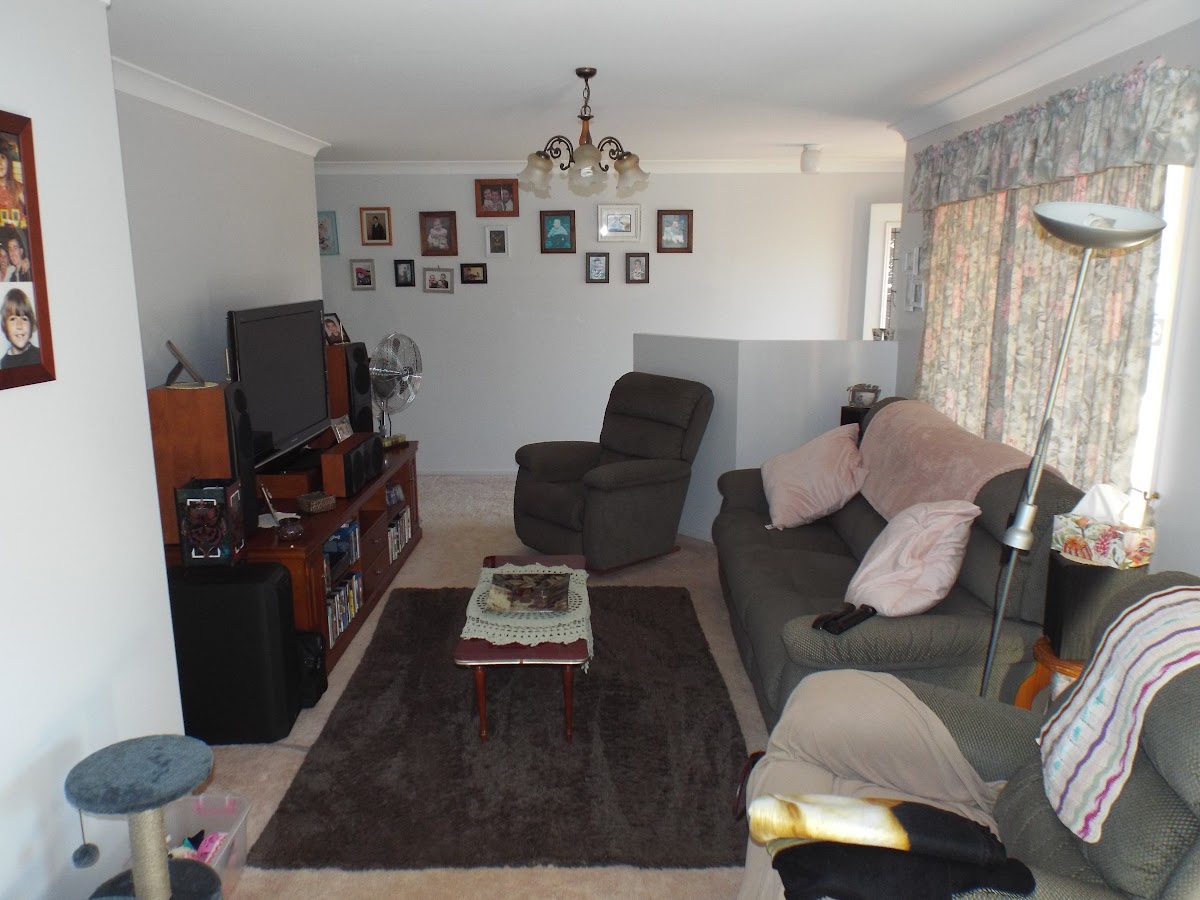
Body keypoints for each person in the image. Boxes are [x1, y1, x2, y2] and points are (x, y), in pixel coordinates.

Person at [1, 287, 39, 369]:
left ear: (31, 324)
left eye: (24, 319)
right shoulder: (3, 365)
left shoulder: (41, 356)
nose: (19, 326)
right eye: (13, 319)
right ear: (5, 326)